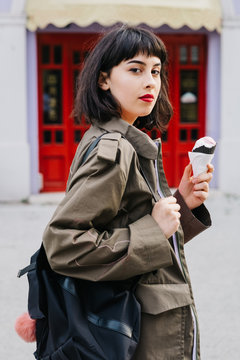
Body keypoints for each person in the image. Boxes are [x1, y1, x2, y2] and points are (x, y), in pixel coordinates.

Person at [43, 25, 213, 360]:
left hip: (138, 327)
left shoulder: (129, 141)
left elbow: (132, 226)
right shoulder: (114, 149)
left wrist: (182, 203)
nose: (150, 81)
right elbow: (62, 244)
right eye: (135, 70)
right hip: (133, 336)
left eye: (155, 71)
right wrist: (153, 229)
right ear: (103, 79)